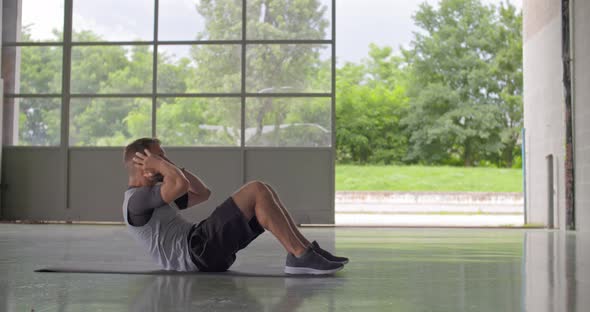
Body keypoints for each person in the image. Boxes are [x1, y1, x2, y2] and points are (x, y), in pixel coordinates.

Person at [122, 137, 348, 275]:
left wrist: (169, 164)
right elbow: (180, 184)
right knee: (255, 189)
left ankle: (303, 250)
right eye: (160, 157)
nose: (165, 161)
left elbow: (202, 193)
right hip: (195, 252)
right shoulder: (138, 200)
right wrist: (162, 165)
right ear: (145, 165)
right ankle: (300, 255)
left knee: (264, 192)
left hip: (200, 248)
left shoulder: (155, 195)